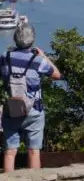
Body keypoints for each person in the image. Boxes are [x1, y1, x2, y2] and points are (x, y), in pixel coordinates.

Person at [0, 24, 61, 172]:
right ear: (32, 40)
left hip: (12, 108)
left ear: (15, 39)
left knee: (9, 152)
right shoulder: (38, 61)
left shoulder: (5, 57)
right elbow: (57, 75)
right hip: (34, 109)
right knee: (34, 151)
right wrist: (43, 56)